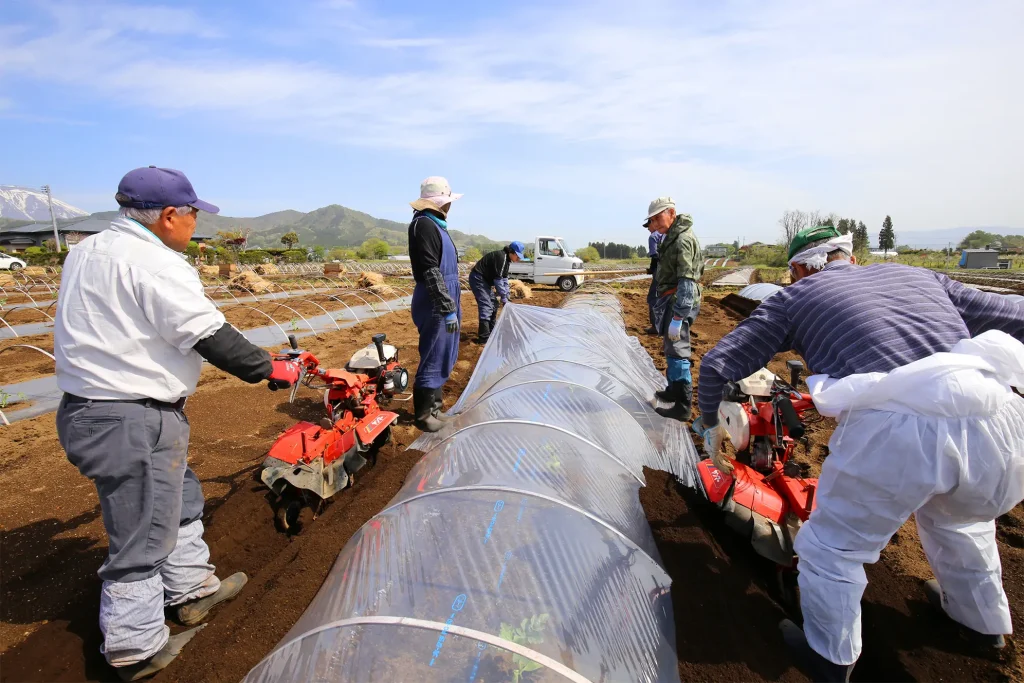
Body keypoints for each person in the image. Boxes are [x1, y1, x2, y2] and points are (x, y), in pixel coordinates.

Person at [693, 225, 1024, 682]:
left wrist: (710, 425)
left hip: (900, 422)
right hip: (999, 415)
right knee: (962, 520)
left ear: (802, 266)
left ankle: (829, 656)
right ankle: (983, 624)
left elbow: (716, 364)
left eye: (793, 272)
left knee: (832, 548)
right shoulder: (920, 277)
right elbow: (1015, 314)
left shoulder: (797, 296)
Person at [54, 166, 302, 681]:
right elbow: (207, 332)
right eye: (192, 214)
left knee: (179, 495)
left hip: (103, 406)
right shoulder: (154, 263)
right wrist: (270, 368)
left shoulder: (87, 249)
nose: (194, 224)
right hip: (128, 412)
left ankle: (191, 589)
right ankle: (135, 647)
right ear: (170, 215)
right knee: (141, 531)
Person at [407, 176, 463, 432]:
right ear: (441, 202)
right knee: (432, 350)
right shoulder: (424, 225)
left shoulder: (437, 225)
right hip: (434, 299)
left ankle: (436, 408)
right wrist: (446, 307)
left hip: (447, 294)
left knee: (444, 351)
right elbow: (430, 271)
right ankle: (424, 414)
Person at [646, 197, 704, 421]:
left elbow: (687, 282)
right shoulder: (671, 236)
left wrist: (679, 317)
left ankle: (682, 405)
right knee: (671, 348)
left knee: (678, 350)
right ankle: (673, 389)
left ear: (671, 212)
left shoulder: (682, 240)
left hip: (679, 301)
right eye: (652, 220)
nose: (655, 224)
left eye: (658, 218)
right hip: (671, 300)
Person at [468, 241, 525, 343]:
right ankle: (484, 338)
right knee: (486, 306)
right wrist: (503, 296)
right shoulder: (501, 257)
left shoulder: (507, 261)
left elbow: (504, 280)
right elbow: (498, 280)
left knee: (494, 304)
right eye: (518, 256)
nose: (518, 259)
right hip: (478, 278)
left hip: (485, 281)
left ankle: (492, 332)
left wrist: (506, 295)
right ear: (511, 252)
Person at [644, 218, 666, 335]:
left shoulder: (653, 237)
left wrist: (652, 269)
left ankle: (655, 326)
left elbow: (655, 256)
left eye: (648, 226)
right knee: (666, 297)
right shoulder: (667, 235)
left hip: (660, 272)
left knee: (653, 298)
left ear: (654, 224)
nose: (648, 229)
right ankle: (665, 325)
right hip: (670, 272)